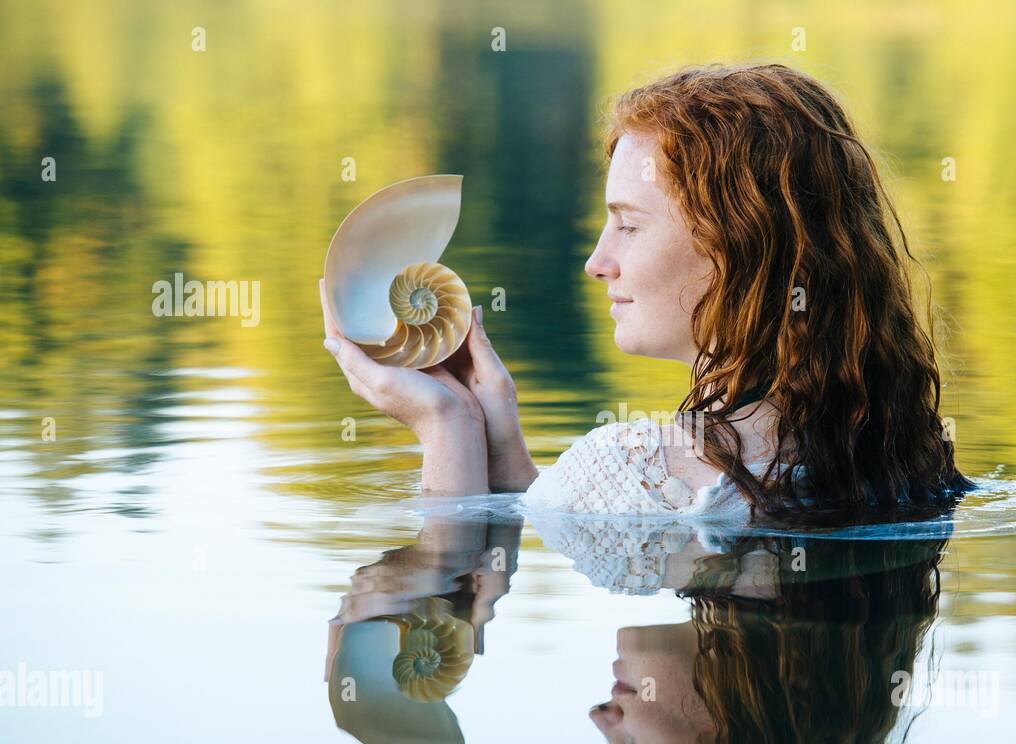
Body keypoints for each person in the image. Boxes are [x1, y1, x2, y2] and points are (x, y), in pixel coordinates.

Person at [322, 63, 975, 526]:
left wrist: (444, 423)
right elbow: (569, 506)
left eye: (628, 225)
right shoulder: (903, 459)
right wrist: (507, 457)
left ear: (733, 248)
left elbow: (455, 576)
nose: (596, 262)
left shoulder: (631, 465)